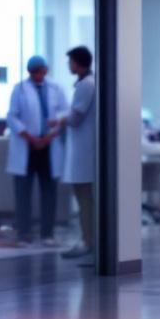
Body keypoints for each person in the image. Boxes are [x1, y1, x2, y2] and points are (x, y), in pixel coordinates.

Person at [6, 56, 68, 247]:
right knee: (23, 193)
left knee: (49, 192)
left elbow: (64, 115)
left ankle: (47, 233)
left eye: (41, 71)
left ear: (46, 70)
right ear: (29, 72)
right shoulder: (20, 89)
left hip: (49, 146)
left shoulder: (57, 89)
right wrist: (30, 137)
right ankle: (24, 234)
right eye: (35, 72)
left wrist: (47, 138)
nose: (39, 75)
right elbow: (12, 116)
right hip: (28, 145)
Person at [60, 46, 96, 262]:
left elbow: (75, 118)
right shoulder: (87, 83)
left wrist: (59, 120)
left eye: (70, 61)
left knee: (85, 200)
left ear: (78, 63)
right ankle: (88, 240)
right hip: (83, 151)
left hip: (84, 153)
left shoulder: (86, 85)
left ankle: (87, 241)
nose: (69, 66)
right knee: (85, 200)